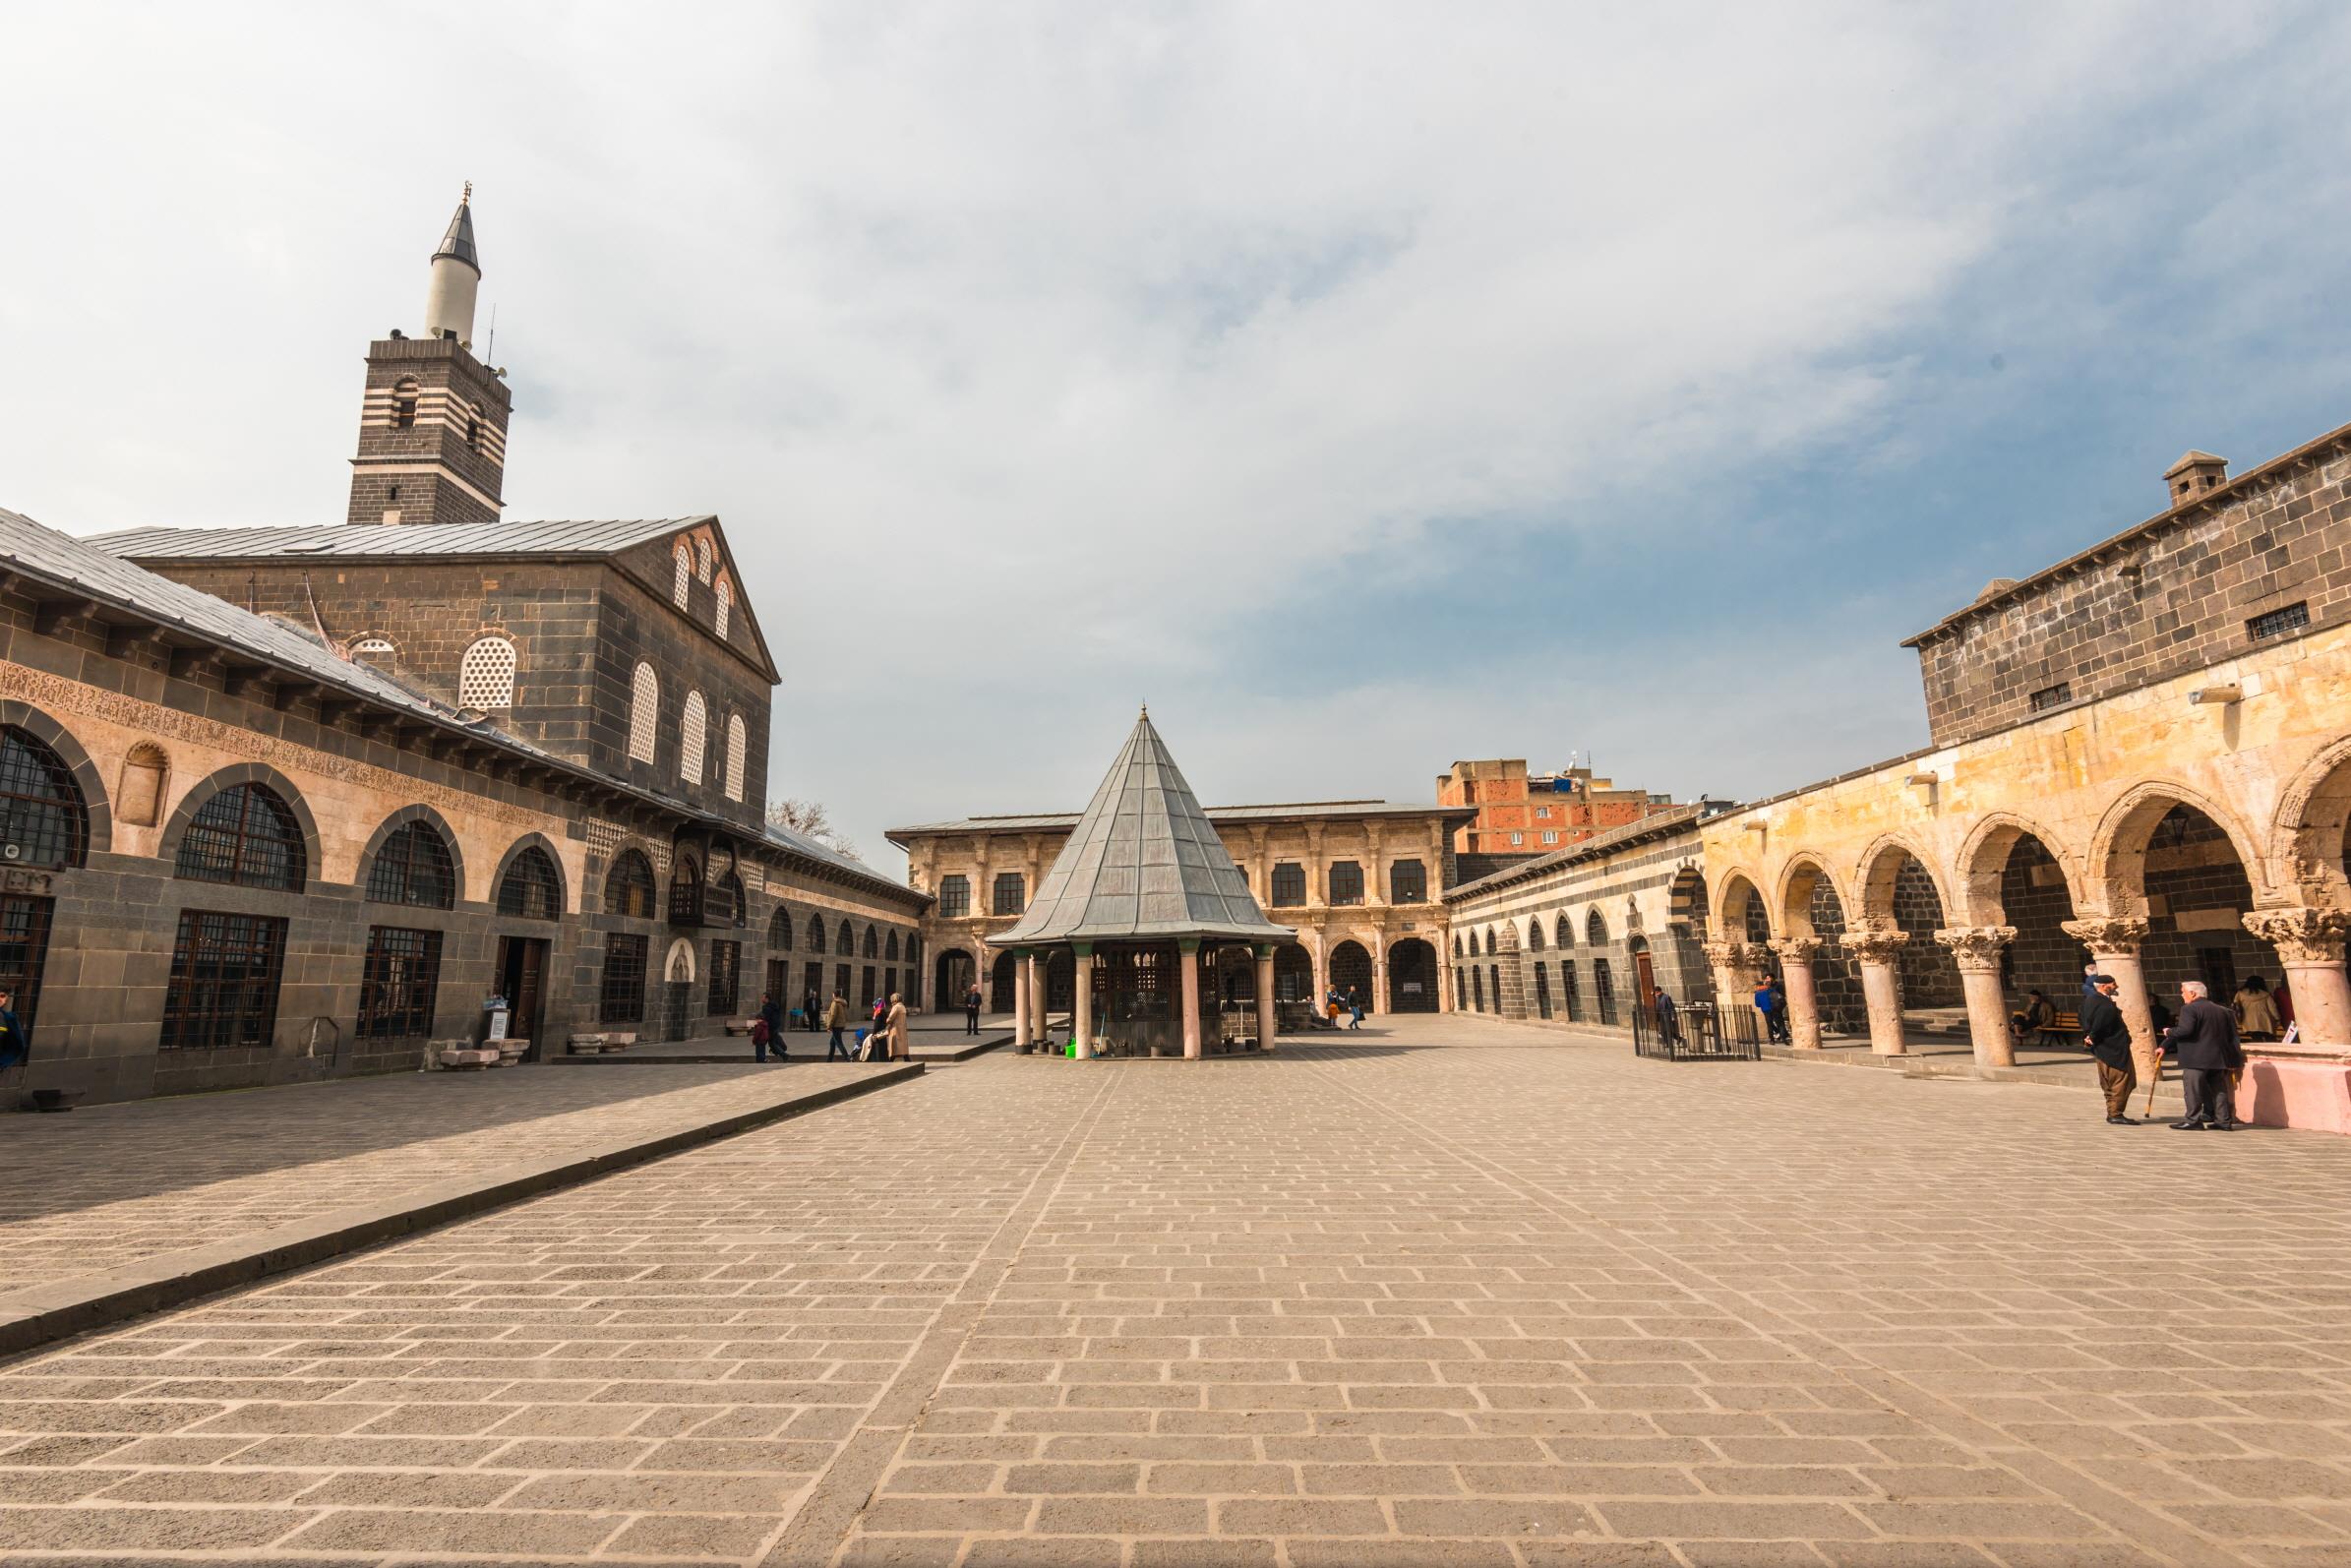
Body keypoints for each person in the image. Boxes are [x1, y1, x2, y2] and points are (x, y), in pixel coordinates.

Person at [2162, 979, 2243, 1130]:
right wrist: (2233, 1059)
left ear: (2192, 993)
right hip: (2218, 1058)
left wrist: (2169, 1031)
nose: (2182, 995)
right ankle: (2224, 1120)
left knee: (2193, 1089)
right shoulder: (2222, 1010)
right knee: (2219, 1089)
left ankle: (2193, 1120)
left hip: (2196, 1058)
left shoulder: (2189, 1009)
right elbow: (2232, 1036)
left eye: (2183, 992)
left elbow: (2186, 1030)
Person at [2080, 974, 2135, 1123]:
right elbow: (2101, 1024)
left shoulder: (2090, 1000)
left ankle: (2113, 1111)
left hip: (2101, 1049)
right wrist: (2092, 1036)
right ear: (2105, 986)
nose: (2116, 986)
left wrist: (2088, 1035)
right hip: (2113, 1049)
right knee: (2122, 1080)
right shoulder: (2105, 1004)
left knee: (2109, 1082)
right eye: (2113, 984)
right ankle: (2115, 1113)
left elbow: (2084, 1019)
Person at [2234, 975, 2281, 1042]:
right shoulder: (2266, 994)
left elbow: (2236, 1007)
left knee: (2257, 1040)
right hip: (2266, 1022)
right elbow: (2273, 1008)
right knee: (2270, 1041)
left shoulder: (2240, 994)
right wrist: (2277, 1018)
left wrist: (2238, 1020)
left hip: (2249, 1022)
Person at [755, 992, 785, 1062]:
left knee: (763, 1042)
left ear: (767, 998)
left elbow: (766, 1019)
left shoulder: (766, 1008)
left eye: (763, 997)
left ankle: (784, 1054)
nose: (761, 999)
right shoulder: (774, 1005)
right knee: (772, 1043)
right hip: (776, 1027)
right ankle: (783, 1053)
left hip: (770, 1028)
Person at [0, 990, 25, 1072]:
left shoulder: (8, 1019)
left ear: (6, 999)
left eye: (2, 996)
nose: (0, 999)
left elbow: (17, 1046)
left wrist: (2, 1063)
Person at [823, 991, 852, 1060]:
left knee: (839, 1043)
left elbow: (833, 1015)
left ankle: (847, 1058)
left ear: (834, 995)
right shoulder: (842, 1003)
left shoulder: (835, 1003)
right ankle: (829, 1059)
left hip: (836, 1025)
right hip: (841, 1025)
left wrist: (829, 1026)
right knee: (832, 1043)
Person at [1752, 978, 1781, 1043]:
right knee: (1778, 1022)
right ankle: (1780, 1033)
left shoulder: (1757, 993)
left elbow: (1757, 1004)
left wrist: (1763, 1004)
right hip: (1774, 1008)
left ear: (1758, 986)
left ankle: (1772, 1040)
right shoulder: (1770, 990)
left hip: (1766, 1010)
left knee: (1769, 1024)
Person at [884, 991, 910, 1060]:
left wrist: (886, 1021)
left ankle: (891, 1060)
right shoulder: (902, 1006)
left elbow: (890, 1018)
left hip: (895, 1029)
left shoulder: (896, 1007)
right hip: (902, 1029)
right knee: (902, 1047)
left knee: (895, 1047)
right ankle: (906, 1060)